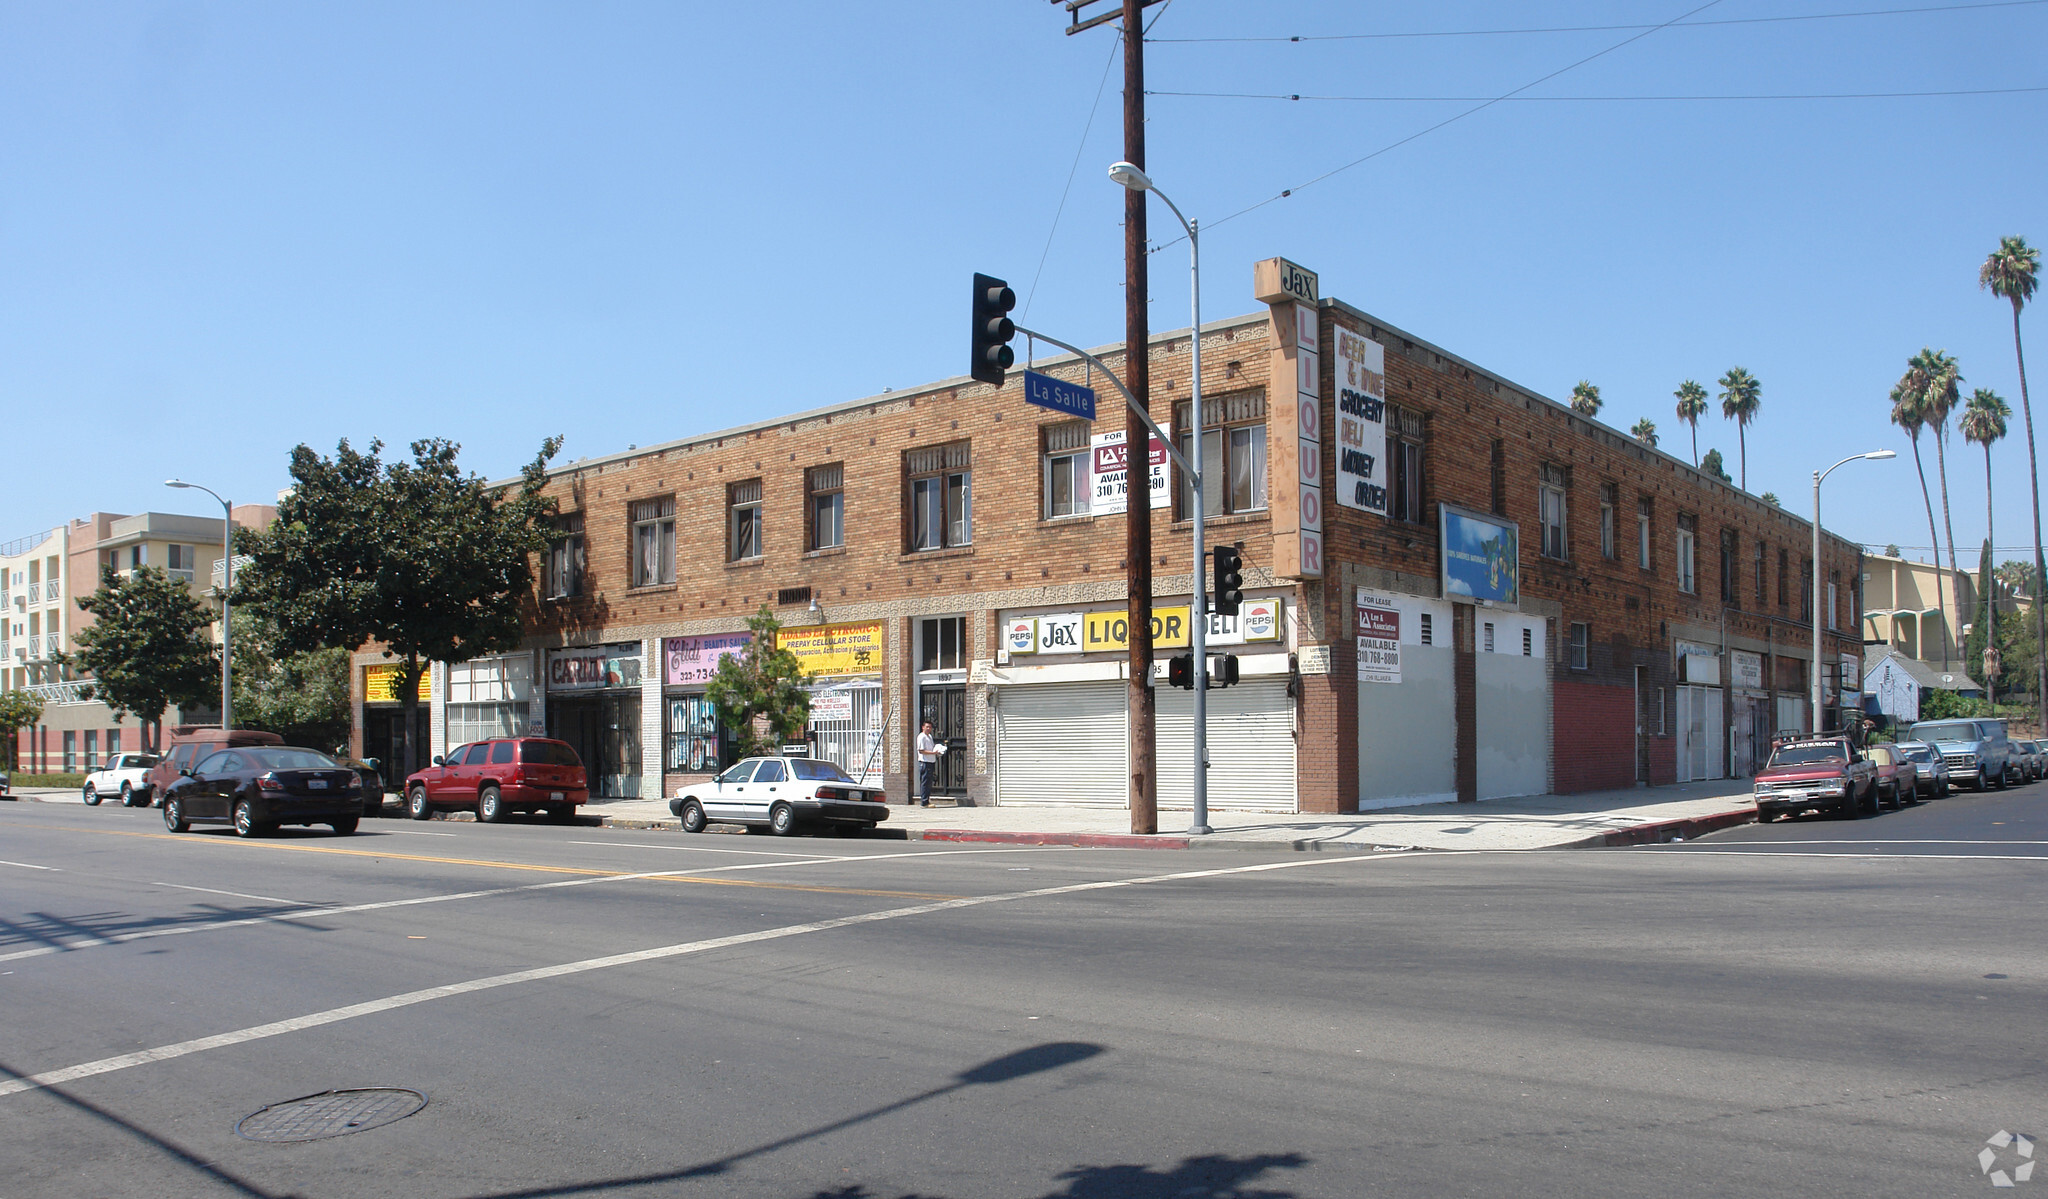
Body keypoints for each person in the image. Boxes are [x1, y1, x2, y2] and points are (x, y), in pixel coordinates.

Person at [915, 720, 945, 807]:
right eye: (927, 727)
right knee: (925, 782)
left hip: (930, 761)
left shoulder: (929, 736)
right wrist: (933, 753)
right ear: (923, 727)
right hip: (925, 762)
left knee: (928, 782)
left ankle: (926, 799)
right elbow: (921, 750)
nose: (928, 729)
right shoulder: (921, 737)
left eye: (930, 727)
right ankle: (924, 802)